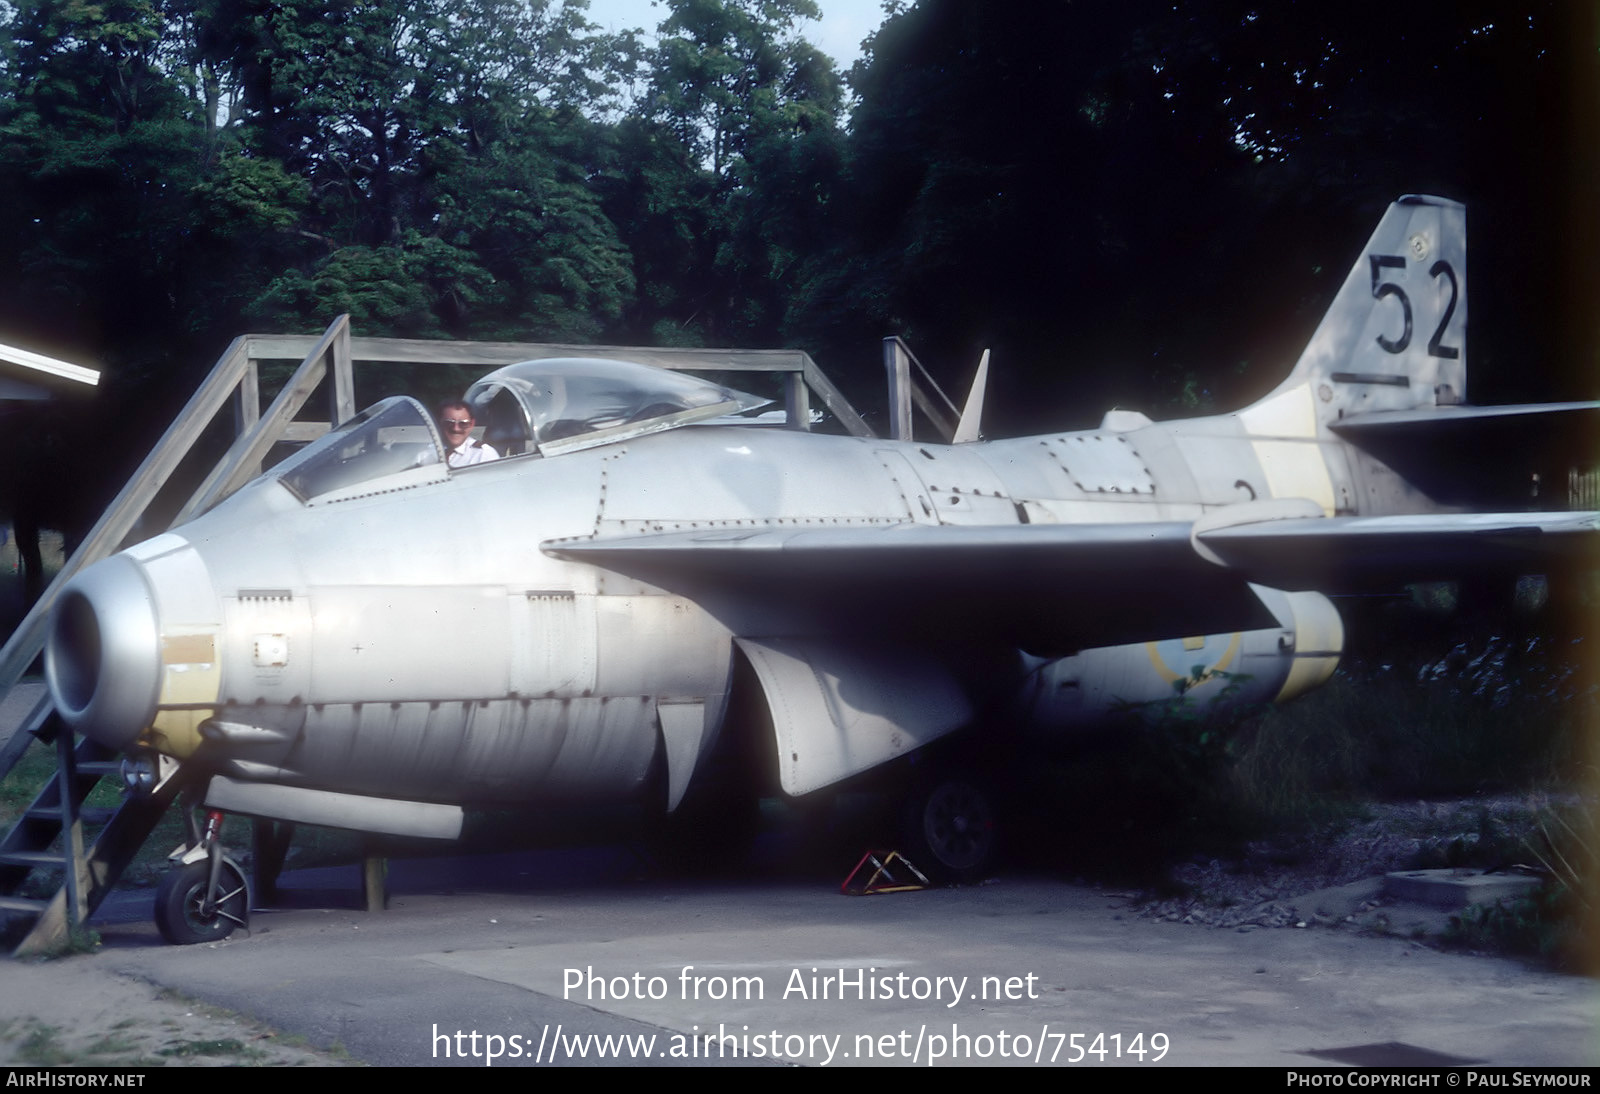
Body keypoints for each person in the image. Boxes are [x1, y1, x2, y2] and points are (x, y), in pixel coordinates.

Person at [437, 401, 500, 468]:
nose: (456, 429)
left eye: (463, 424)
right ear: (439, 423)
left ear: (471, 424)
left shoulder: (484, 455)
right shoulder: (428, 451)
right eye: (449, 423)